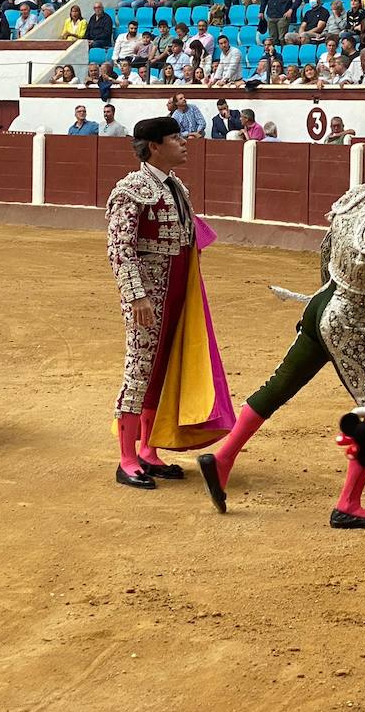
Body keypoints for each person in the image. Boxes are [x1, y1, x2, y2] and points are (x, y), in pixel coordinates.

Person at [199, 142, 365, 529]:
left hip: (323, 305)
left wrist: (332, 299)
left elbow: (327, 251)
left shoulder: (357, 199)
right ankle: (348, 505)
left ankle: (222, 460)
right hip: (347, 321)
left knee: (280, 385)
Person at [105, 117, 230, 490]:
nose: (184, 141)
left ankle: (148, 450)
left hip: (177, 290)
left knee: (163, 369)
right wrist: (136, 295)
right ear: (154, 146)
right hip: (148, 295)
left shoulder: (177, 187)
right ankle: (127, 458)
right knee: (140, 367)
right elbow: (119, 249)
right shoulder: (130, 189)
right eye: (175, 137)